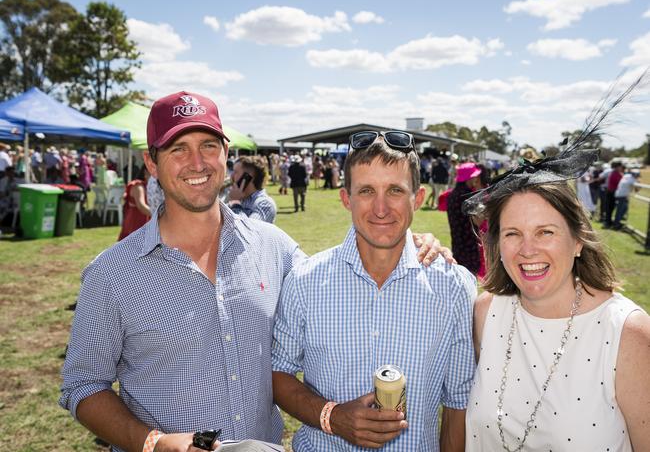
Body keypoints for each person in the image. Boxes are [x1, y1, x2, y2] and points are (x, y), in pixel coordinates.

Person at [60, 92, 449, 452]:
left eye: (208, 146)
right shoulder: (112, 274)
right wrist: (154, 443)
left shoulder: (273, 246)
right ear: (152, 162)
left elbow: (338, 279)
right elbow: (83, 385)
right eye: (179, 149)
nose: (197, 163)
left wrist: (408, 243)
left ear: (225, 152)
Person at [272, 131, 476, 452]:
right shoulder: (306, 280)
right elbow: (278, 372)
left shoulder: (454, 286)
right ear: (346, 198)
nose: (381, 208)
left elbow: (458, 402)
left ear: (418, 199)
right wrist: (333, 416)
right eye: (367, 191)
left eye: (395, 190)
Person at [464, 104, 650, 450]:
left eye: (546, 232)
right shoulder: (485, 313)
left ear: (578, 240)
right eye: (512, 233)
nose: (527, 250)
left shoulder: (627, 333)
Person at [446, 162, 482, 276]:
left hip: (457, 242)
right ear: (469, 178)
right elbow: (479, 220)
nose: (476, 178)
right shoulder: (469, 196)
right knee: (470, 279)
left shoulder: (452, 194)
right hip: (470, 244)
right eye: (474, 176)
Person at [228, 155, 277, 223]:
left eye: (236, 172)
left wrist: (235, 203)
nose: (231, 176)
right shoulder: (241, 198)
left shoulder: (265, 204)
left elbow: (248, 230)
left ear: (246, 177)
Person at [117, 164, 151, 241]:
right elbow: (141, 206)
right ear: (145, 172)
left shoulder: (152, 187)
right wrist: (159, 215)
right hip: (135, 224)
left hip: (147, 224)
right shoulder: (138, 185)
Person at [604, 161, 624, 227]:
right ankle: (607, 223)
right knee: (609, 208)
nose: (621, 168)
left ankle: (608, 222)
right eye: (620, 167)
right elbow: (620, 182)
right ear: (618, 167)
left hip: (611, 193)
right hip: (611, 193)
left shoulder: (615, 173)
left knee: (610, 208)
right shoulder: (615, 173)